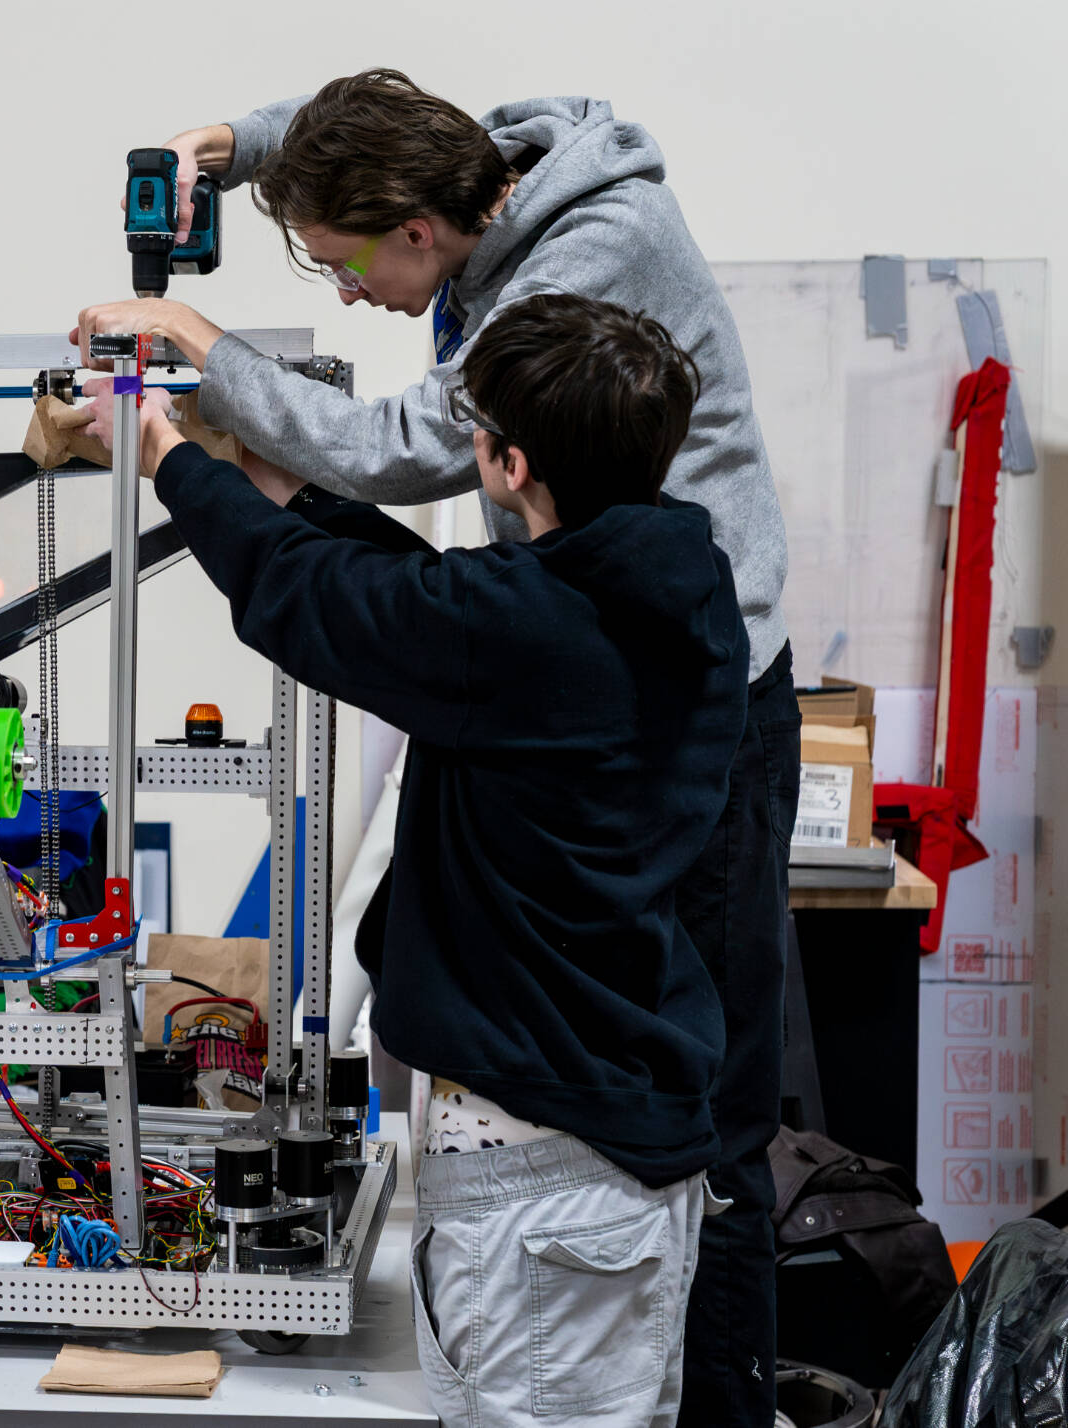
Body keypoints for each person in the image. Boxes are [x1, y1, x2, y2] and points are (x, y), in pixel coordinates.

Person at [74, 70, 796, 1425]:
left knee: (710, 1176)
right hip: (584, 1147)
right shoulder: (640, 576)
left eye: (351, 265)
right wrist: (233, 150)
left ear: (512, 471)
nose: (352, 296)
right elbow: (408, 604)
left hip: (546, 1177)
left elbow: (361, 572)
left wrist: (176, 421)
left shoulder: (544, 624)